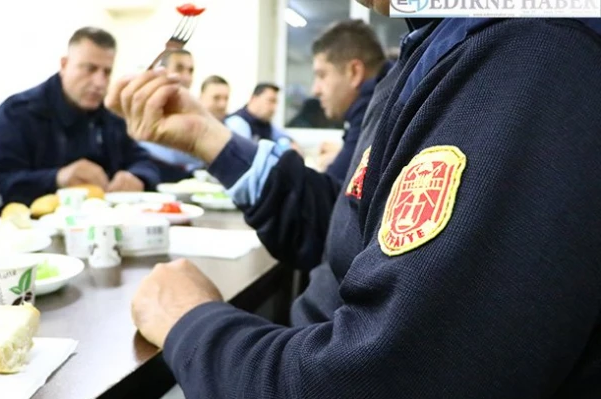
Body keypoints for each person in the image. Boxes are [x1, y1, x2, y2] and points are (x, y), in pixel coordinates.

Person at [110, 11, 601, 399]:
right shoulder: (427, 53)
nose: (315, 87)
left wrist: (193, 323)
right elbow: (349, 228)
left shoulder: (527, 55)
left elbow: (382, 378)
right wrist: (210, 138)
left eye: (322, 74)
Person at [0, 27, 159, 206]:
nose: (99, 82)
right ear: (64, 65)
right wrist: (56, 178)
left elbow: (144, 161)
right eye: (89, 69)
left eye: (107, 72)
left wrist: (137, 177)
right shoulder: (18, 113)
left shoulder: (111, 114)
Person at [311, 19, 392, 182]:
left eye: (322, 75)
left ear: (354, 72)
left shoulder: (374, 110)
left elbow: (333, 198)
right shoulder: (391, 92)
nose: (315, 90)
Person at [140, 49, 203, 182]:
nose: (186, 78)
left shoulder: (194, 113)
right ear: (161, 72)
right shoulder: (144, 110)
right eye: (179, 69)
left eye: (190, 71)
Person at [224, 83, 292, 146]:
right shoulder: (237, 123)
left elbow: (286, 139)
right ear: (254, 99)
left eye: (276, 103)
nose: (274, 108)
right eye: (270, 101)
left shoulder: (264, 123)